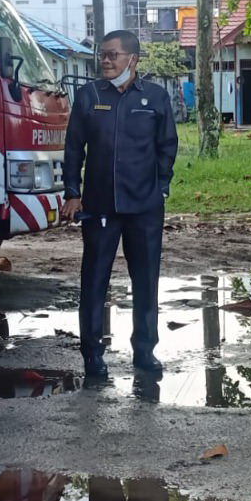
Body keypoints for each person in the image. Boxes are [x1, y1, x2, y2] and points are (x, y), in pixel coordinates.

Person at [62, 29, 178, 381]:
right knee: (94, 280)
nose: (106, 61)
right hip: (99, 207)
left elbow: (167, 146)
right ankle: (92, 354)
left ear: (133, 59)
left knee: (146, 281)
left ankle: (145, 350)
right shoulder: (89, 95)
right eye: (103, 55)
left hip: (144, 208)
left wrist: (160, 188)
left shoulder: (155, 97)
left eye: (113, 55)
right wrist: (72, 192)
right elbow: (73, 149)